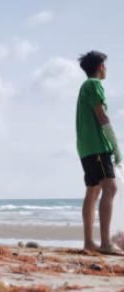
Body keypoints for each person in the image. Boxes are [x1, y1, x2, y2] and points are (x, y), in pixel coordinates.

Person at [76, 51, 122, 253]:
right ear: (100, 66)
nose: (106, 68)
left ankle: (89, 242)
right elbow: (101, 115)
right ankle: (105, 243)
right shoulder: (94, 85)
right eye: (105, 65)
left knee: (93, 190)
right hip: (97, 146)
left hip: (86, 147)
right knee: (110, 188)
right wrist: (115, 144)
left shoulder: (85, 86)